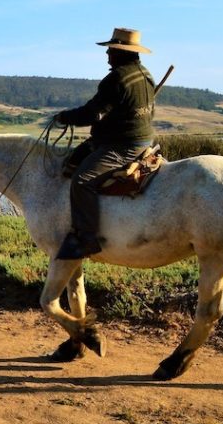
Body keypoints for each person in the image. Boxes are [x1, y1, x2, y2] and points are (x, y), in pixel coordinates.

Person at [53, 28, 156, 260]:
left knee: (81, 180)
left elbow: (92, 113)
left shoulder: (117, 79)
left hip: (123, 145)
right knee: (72, 162)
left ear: (121, 52)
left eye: (111, 49)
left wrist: (64, 117)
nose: (107, 54)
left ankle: (86, 238)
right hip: (142, 138)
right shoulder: (145, 74)